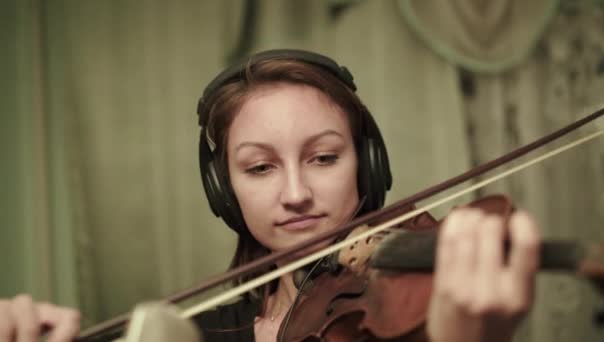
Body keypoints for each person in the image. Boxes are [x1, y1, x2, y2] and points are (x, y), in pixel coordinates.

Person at [0, 49, 540, 342]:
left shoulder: (413, 306)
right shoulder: (200, 333)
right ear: (223, 191)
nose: (297, 193)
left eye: (324, 158)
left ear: (368, 162)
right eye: (260, 167)